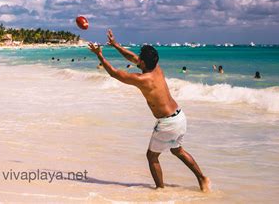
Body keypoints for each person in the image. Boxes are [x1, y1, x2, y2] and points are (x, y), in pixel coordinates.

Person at [88, 29, 210, 192]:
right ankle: (202, 178)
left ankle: (160, 191)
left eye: (140, 59)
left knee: (151, 156)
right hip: (179, 117)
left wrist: (99, 54)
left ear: (143, 63)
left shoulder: (143, 79)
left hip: (168, 123)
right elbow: (132, 58)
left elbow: (115, 74)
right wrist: (116, 45)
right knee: (177, 150)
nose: (137, 59)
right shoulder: (156, 68)